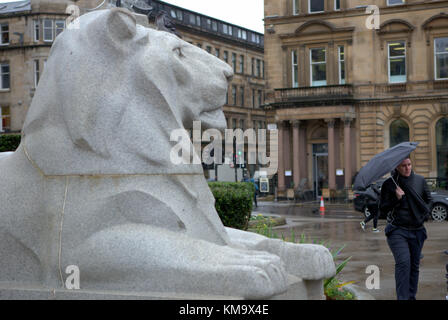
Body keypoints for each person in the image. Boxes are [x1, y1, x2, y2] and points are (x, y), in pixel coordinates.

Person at [380, 156, 432, 300]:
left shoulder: (420, 180)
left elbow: (428, 201)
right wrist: (396, 199)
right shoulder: (389, 184)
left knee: (414, 266)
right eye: (403, 166)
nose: (407, 168)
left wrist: (422, 217)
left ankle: (410, 297)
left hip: (417, 230)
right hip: (397, 230)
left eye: (409, 164)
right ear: (396, 167)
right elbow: (382, 210)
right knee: (403, 263)